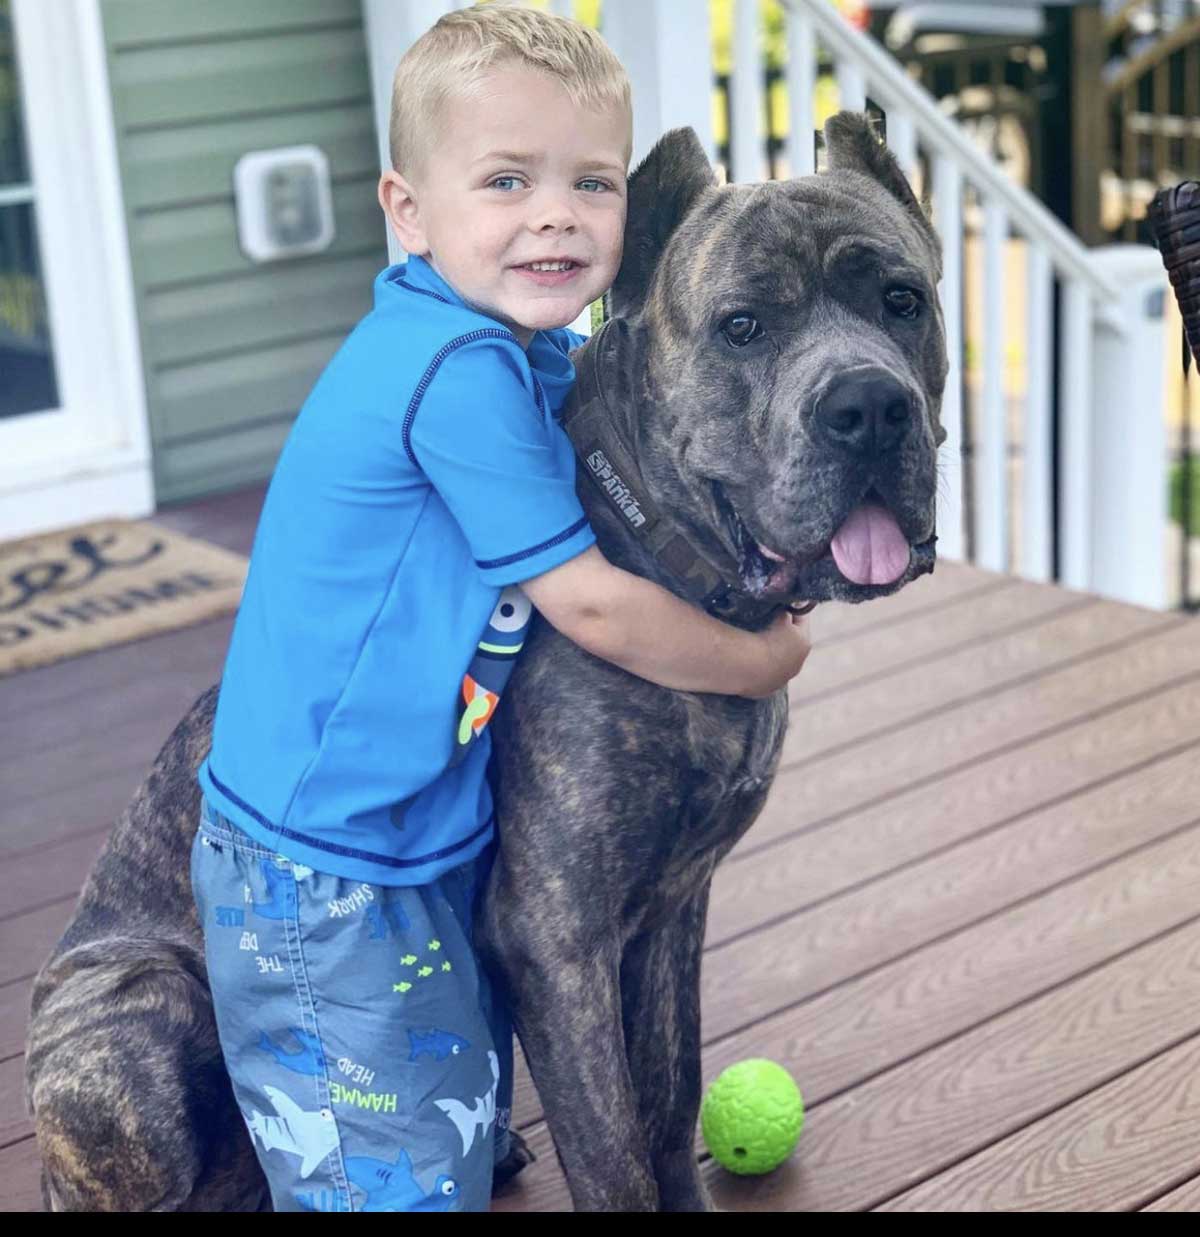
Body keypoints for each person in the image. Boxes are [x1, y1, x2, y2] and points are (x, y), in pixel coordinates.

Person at [190, 3, 811, 1213]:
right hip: (323, 859)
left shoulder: (504, 349)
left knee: (450, 1134)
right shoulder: (454, 374)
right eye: (507, 180)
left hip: (404, 825)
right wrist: (757, 661)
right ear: (408, 211)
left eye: (591, 181)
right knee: (391, 1184)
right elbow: (592, 604)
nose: (555, 215)